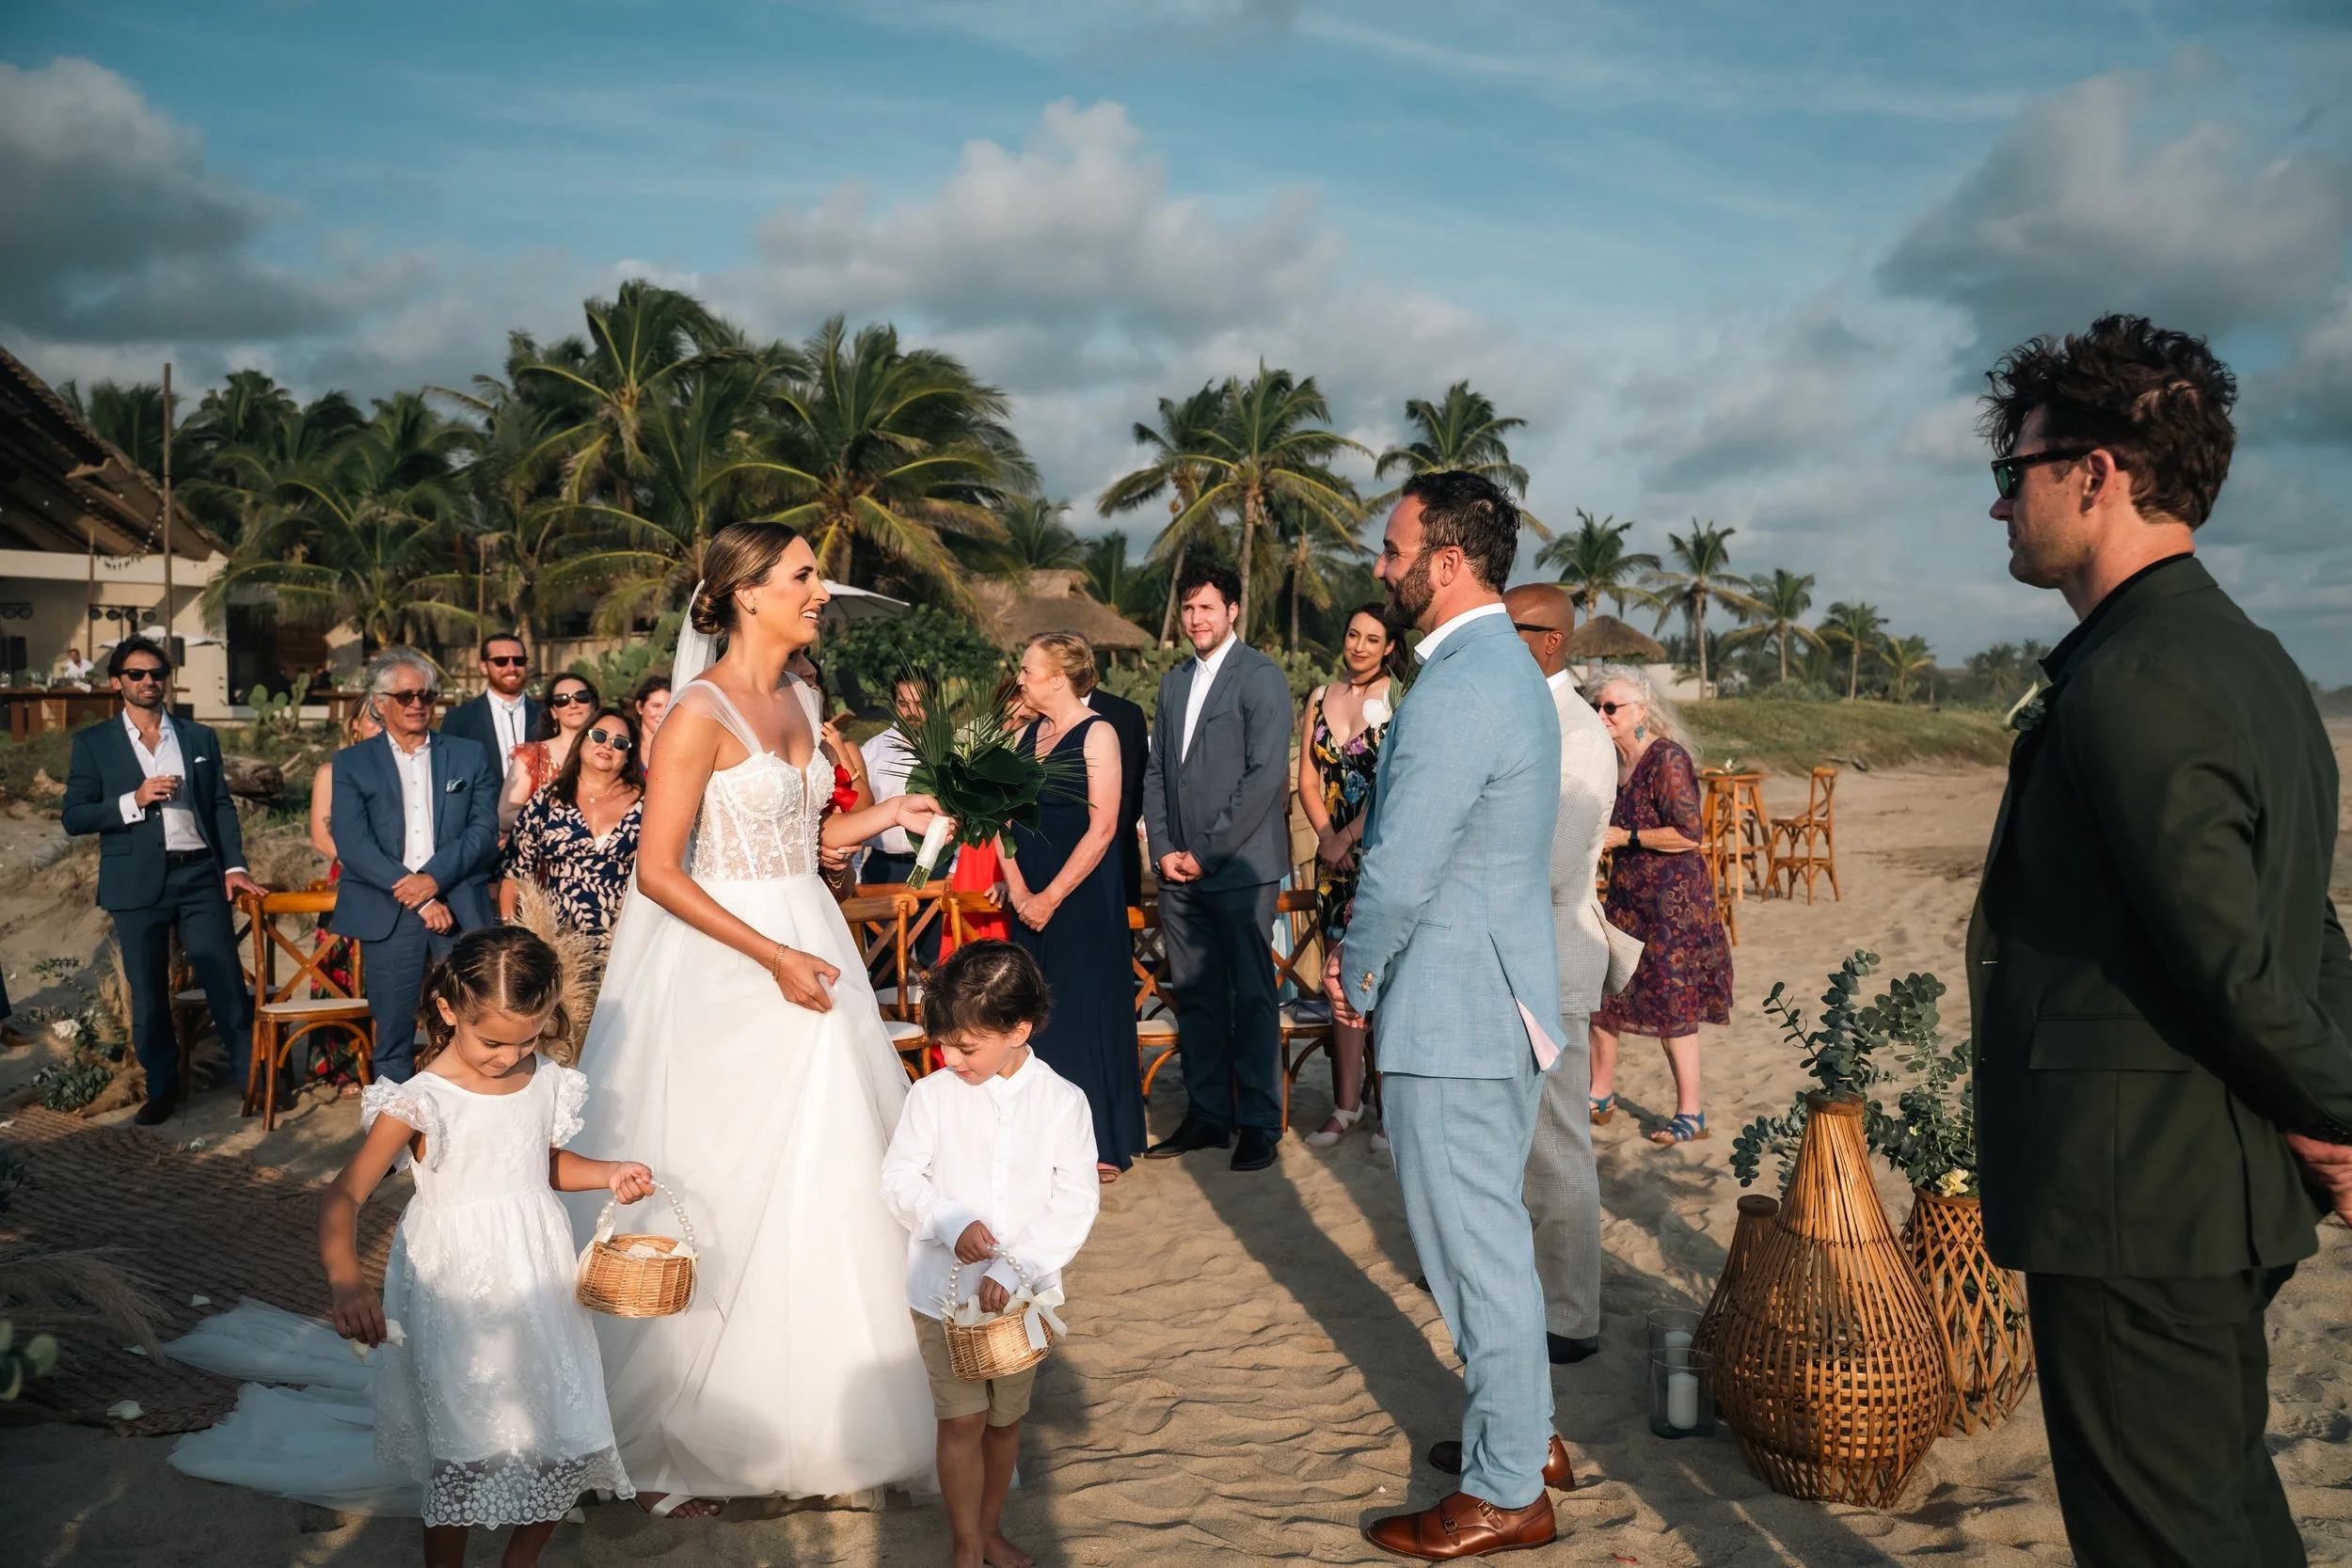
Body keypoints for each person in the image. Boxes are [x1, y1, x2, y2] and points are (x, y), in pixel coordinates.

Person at [1969, 315, 2352, 1568]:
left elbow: (2234, 956)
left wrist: (2345, 1116)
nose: (2001, 507)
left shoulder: (2136, 675)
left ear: (2100, 471)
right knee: (2223, 1508)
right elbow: (2311, 926)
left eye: (2013, 471)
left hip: (2141, 1200)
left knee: (2164, 1536)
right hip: (2207, 1189)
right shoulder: (2255, 660)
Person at [567, 521, 949, 1515]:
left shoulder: (803, 695)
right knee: (720, 1173)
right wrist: (770, 952)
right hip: (731, 960)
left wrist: (886, 819)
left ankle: (823, 1413)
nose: (820, 589)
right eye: (802, 575)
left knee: (828, 1170)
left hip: (810, 939)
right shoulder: (695, 711)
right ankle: (689, 1417)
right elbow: (657, 868)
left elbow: (804, 830)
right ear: (744, 592)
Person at [168, 927, 651, 1568]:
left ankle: (521, 1557)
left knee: (564, 1418)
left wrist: (608, 1170)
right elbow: (342, 1195)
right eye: (494, 1041)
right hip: (454, 1284)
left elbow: (539, 1162)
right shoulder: (420, 1100)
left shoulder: (544, 1076)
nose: (510, 1056)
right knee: (466, 1440)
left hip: (538, 1275)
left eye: (528, 1038)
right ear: (450, 1010)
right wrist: (345, 1279)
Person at [1327, 470, 1573, 1560]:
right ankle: (1524, 1434)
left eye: (1392, 548)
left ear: (1445, 559)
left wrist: (1356, 970)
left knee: (1474, 1250)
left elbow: (1400, 864)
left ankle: (1506, 1487)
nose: (1380, 568)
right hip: (1497, 990)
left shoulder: (1463, 682)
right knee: (1491, 1241)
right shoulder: (1497, 668)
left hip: (1458, 1004)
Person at [880, 941, 1100, 1568]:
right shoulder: (932, 1096)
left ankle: (991, 1525)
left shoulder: (1063, 1102)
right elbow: (898, 1178)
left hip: (1021, 1303)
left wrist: (1012, 1266)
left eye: (966, 1046)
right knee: (961, 1423)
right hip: (941, 1295)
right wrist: (949, 1221)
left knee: (1006, 1423)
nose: (950, 1058)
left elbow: (1075, 1200)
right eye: (945, 1044)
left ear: (1018, 1029)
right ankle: (966, 1544)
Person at [60, 636, 264, 1124]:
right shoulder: (94, 744)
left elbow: (219, 805)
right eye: (136, 674)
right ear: (116, 682)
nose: (148, 681)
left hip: (198, 873)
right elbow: (74, 816)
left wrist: (234, 865)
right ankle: (162, 1088)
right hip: (135, 883)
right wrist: (136, 798)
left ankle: (251, 1082)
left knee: (224, 981)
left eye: (156, 674)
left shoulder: (196, 738)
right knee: (149, 991)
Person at [1139, 560, 1296, 1174]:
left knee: (1253, 995)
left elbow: (1265, 777)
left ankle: (1258, 1120)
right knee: (1197, 994)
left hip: (1238, 868)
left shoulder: (1261, 676)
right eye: (1188, 608)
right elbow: (1157, 771)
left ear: (1233, 610)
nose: (1195, 618)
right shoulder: (1174, 681)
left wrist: (1204, 851)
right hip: (1177, 872)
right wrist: (1163, 852)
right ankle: (1207, 1113)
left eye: (1207, 606)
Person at [1510, 585, 1615, 1367]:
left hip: (1549, 957)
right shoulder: (1522, 714)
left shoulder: (1578, 732)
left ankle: (1573, 1315)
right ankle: (1530, 1290)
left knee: (1559, 1143)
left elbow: (1549, 864)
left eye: (1507, 629)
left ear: (1550, 641)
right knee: (1519, 1141)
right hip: (1509, 956)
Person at [1000, 632, 1145, 1181]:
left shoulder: (1098, 733)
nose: (1020, 678)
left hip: (1080, 896)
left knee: (1083, 1010)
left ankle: (1098, 1141)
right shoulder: (1027, 736)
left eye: (1027, 669)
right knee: (1031, 1015)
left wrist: (1052, 896)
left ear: (1058, 678)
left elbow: (1105, 826)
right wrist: (1018, 890)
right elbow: (1001, 820)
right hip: (1028, 889)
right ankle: (1043, 1145)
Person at [330, 649, 502, 1085]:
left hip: (459, 906)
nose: (416, 703)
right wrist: (417, 893)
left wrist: (432, 880)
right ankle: (394, 1139)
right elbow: (352, 843)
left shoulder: (468, 755)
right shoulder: (353, 763)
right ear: (379, 702)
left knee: (471, 1025)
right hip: (389, 914)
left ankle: (462, 1130)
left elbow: (482, 831)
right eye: (405, 695)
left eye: (426, 694)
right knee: (393, 1033)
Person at [1582, 666, 1730, 1145]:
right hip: (1627, 899)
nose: (1601, 714)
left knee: (1673, 1005)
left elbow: (1690, 833)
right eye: (1596, 706)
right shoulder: (1611, 760)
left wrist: (1627, 836)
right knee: (1607, 998)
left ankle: (1692, 1113)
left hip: (1673, 904)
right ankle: (1598, 1095)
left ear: (1641, 712)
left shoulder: (1666, 758)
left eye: (1611, 707)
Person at [1294, 604, 1396, 1149]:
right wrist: (1328, 838)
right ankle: (1346, 1105)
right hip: (1332, 859)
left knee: (1387, 982)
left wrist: (1349, 837)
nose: (1358, 646)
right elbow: (1308, 778)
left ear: (1389, 648)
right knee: (1342, 982)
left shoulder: (1399, 701)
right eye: (1353, 635)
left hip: (1379, 850)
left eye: (1372, 638)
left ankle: (1390, 1111)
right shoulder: (1318, 698)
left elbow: (1392, 784)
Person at [500, 708, 644, 955]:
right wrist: (510, 938)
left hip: (626, 942)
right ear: (582, 740)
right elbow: (514, 875)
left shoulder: (646, 804)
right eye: (599, 736)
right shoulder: (547, 800)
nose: (607, 746)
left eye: (620, 743)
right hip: (556, 942)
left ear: (628, 755)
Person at [499, 673, 596, 835]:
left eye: (581, 697)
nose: (573, 704)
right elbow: (504, 816)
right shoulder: (533, 755)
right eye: (562, 700)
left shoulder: (612, 750)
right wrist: (557, 822)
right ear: (553, 711)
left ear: (593, 704)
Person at [1084, 680, 1149, 911]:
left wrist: (1090, 844)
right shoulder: (1037, 715)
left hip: (1114, 855)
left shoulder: (1125, 713)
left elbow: (1135, 789)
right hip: (1047, 864)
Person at [860, 676, 931, 886]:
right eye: (903, 704)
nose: (911, 712)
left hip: (936, 869)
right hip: (883, 870)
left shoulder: (951, 749)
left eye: (919, 704)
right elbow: (858, 811)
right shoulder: (871, 751)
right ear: (893, 704)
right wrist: (854, 872)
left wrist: (954, 870)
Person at [438, 634, 542, 776]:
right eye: (501, 661)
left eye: (518, 661)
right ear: (483, 667)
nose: (511, 668)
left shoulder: (546, 715)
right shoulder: (459, 719)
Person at [310, 705, 383, 863]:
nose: (380, 727)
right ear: (356, 724)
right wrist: (370, 870)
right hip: (356, 875)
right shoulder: (331, 773)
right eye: (373, 718)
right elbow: (321, 839)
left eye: (385, 720)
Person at [630, 673, 671, 763]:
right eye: (656, 706)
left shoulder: (676, 749)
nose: (663, 713)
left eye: (669, 707)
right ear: (639, 707)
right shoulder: (628, 747)